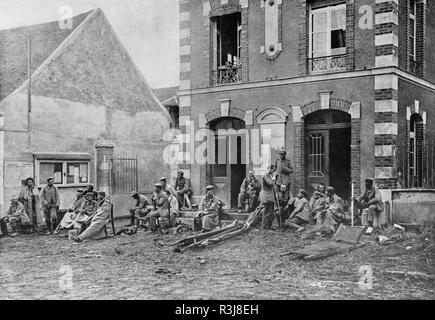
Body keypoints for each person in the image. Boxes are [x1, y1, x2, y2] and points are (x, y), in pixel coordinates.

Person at [259, 165, 277, 229]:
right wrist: (274, 178)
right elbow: (270, 183)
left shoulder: (269, 176)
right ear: (269, 169)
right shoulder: (265, 176)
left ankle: (269, 225)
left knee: (271, 212)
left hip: (270, 197)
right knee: (266, 211)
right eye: (273, 170)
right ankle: (264, 226)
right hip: (266, 197)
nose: (274, 171)